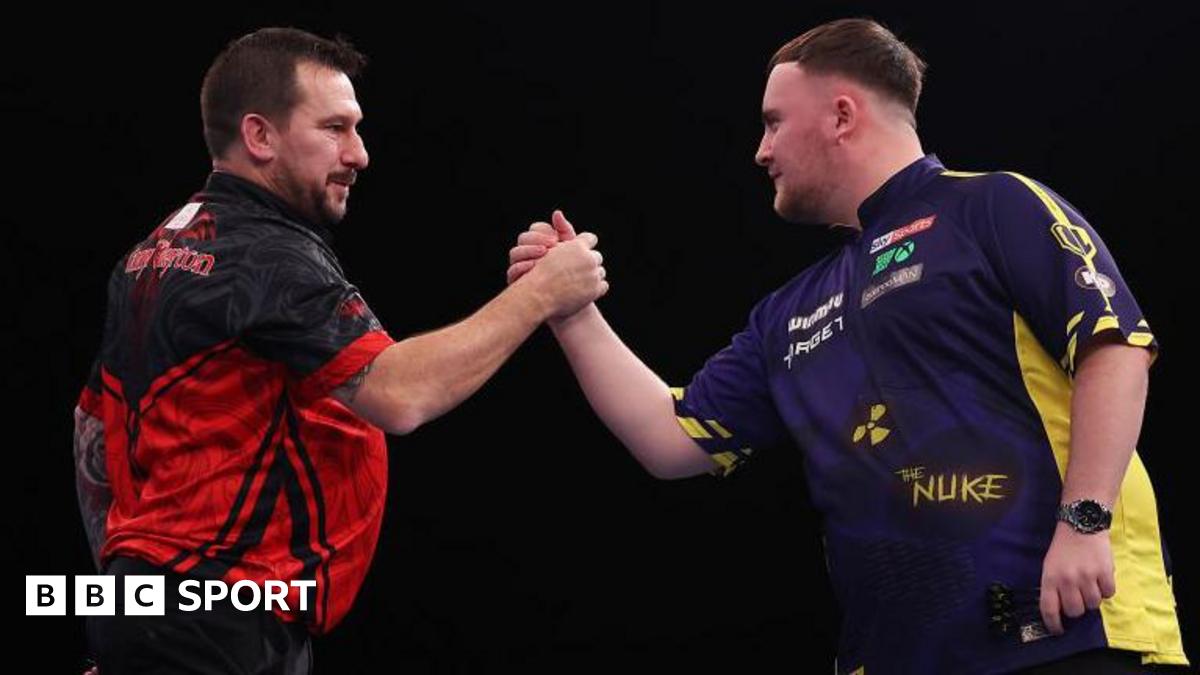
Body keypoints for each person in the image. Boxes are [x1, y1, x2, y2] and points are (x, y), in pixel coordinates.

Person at [507, 18, 1188, 675]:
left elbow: (1116, 350)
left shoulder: (994, 206)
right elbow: (669, 439)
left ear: (841, 115)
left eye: (774, 122)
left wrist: (1084, 523)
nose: (760, 151)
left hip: (1065, 634)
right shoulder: (789, 312)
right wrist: (569, 312)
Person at [72, 27, 607, 673]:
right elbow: (400, 395)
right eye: (335, 128)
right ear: (259, 135)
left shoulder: (152, 253)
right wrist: (542, 293)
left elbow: (93, 428)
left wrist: (126, 609)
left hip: (162, 609)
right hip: (220, 617)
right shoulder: (265, 253)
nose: (360, 153)